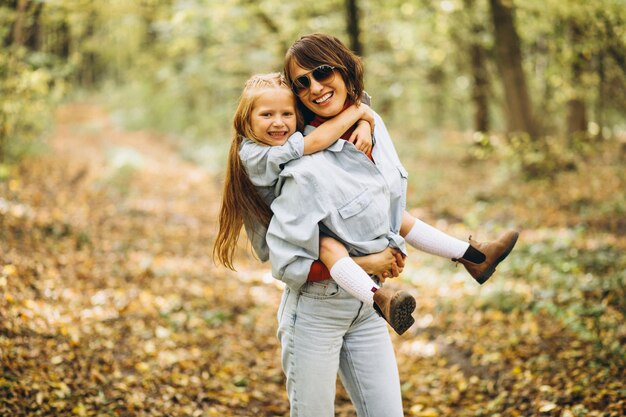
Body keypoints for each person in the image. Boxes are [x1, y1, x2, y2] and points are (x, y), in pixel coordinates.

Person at [264, 33, 517, 416]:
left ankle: (474, 256)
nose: (314, 87)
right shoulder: (301, 160)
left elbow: (388, 209)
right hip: (317, 313)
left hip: (368, 309)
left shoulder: (372, 124)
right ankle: (473, 257)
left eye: (322, 72)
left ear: (345, 70)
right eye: (302, 82)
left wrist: (362, 117)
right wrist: (369, 263)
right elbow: (290, 263)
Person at [214, 73, 417, 335]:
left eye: (286, 114)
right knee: (329, 246)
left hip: (314, 224)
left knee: (400, 216)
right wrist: (360, 111)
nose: (278, 122)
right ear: (246, 120)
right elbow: (319, 139)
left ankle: (469, 255)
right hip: (293, 240)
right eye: (267, 115)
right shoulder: (256, 153)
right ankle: (380, 296)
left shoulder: (283, 135)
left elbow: (328, 114)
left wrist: (365, 122)